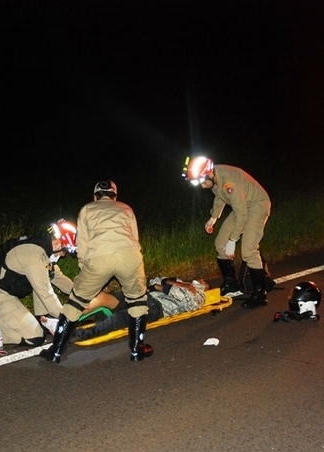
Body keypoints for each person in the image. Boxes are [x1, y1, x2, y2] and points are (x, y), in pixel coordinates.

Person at [39, 180, 153, 363]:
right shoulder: (126, 208)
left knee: (75, 304)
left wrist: (85, 270)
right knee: (138, 301)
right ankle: (137, 350)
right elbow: (135, 237)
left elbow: (82, 245)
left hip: (99, 256)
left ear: (95, 196)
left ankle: (56, 352)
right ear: (115, 196)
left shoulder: (86, 209)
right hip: (129, 256)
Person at [183, 155, 271, 308]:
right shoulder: (216, 177)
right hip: (241, 206)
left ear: (209, 174)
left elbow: (242, 213)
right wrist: (213, 217)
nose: (203, 186)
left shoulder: (230, 183)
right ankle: (231, 283)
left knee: (248, 250)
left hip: (256, 205)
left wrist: (233, 240)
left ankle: (260, 293)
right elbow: (219, 197)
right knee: (219, 244)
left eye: (203, 182)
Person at [0, 219, 78, 346]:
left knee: (44, 278)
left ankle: (40, 320)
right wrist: (68, 320)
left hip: (1, 288)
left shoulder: (42, 249)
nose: (63, 255)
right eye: (65, 251)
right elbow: (47, 295)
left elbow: (57, 277)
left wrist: (82, 295)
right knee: (35, 336)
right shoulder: (35, 258)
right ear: (58, 243)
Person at [72, 277, 210, 340]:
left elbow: (186, 300)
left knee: (123, 317)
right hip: (142, 295)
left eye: (204, 283)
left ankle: (82, 334)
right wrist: (177, 283)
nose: (201, 281)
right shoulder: (182, 282)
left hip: (157, 307)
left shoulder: (200, 295)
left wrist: (168, 286)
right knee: (102, 297)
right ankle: (66, 319)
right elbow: (155, 280)